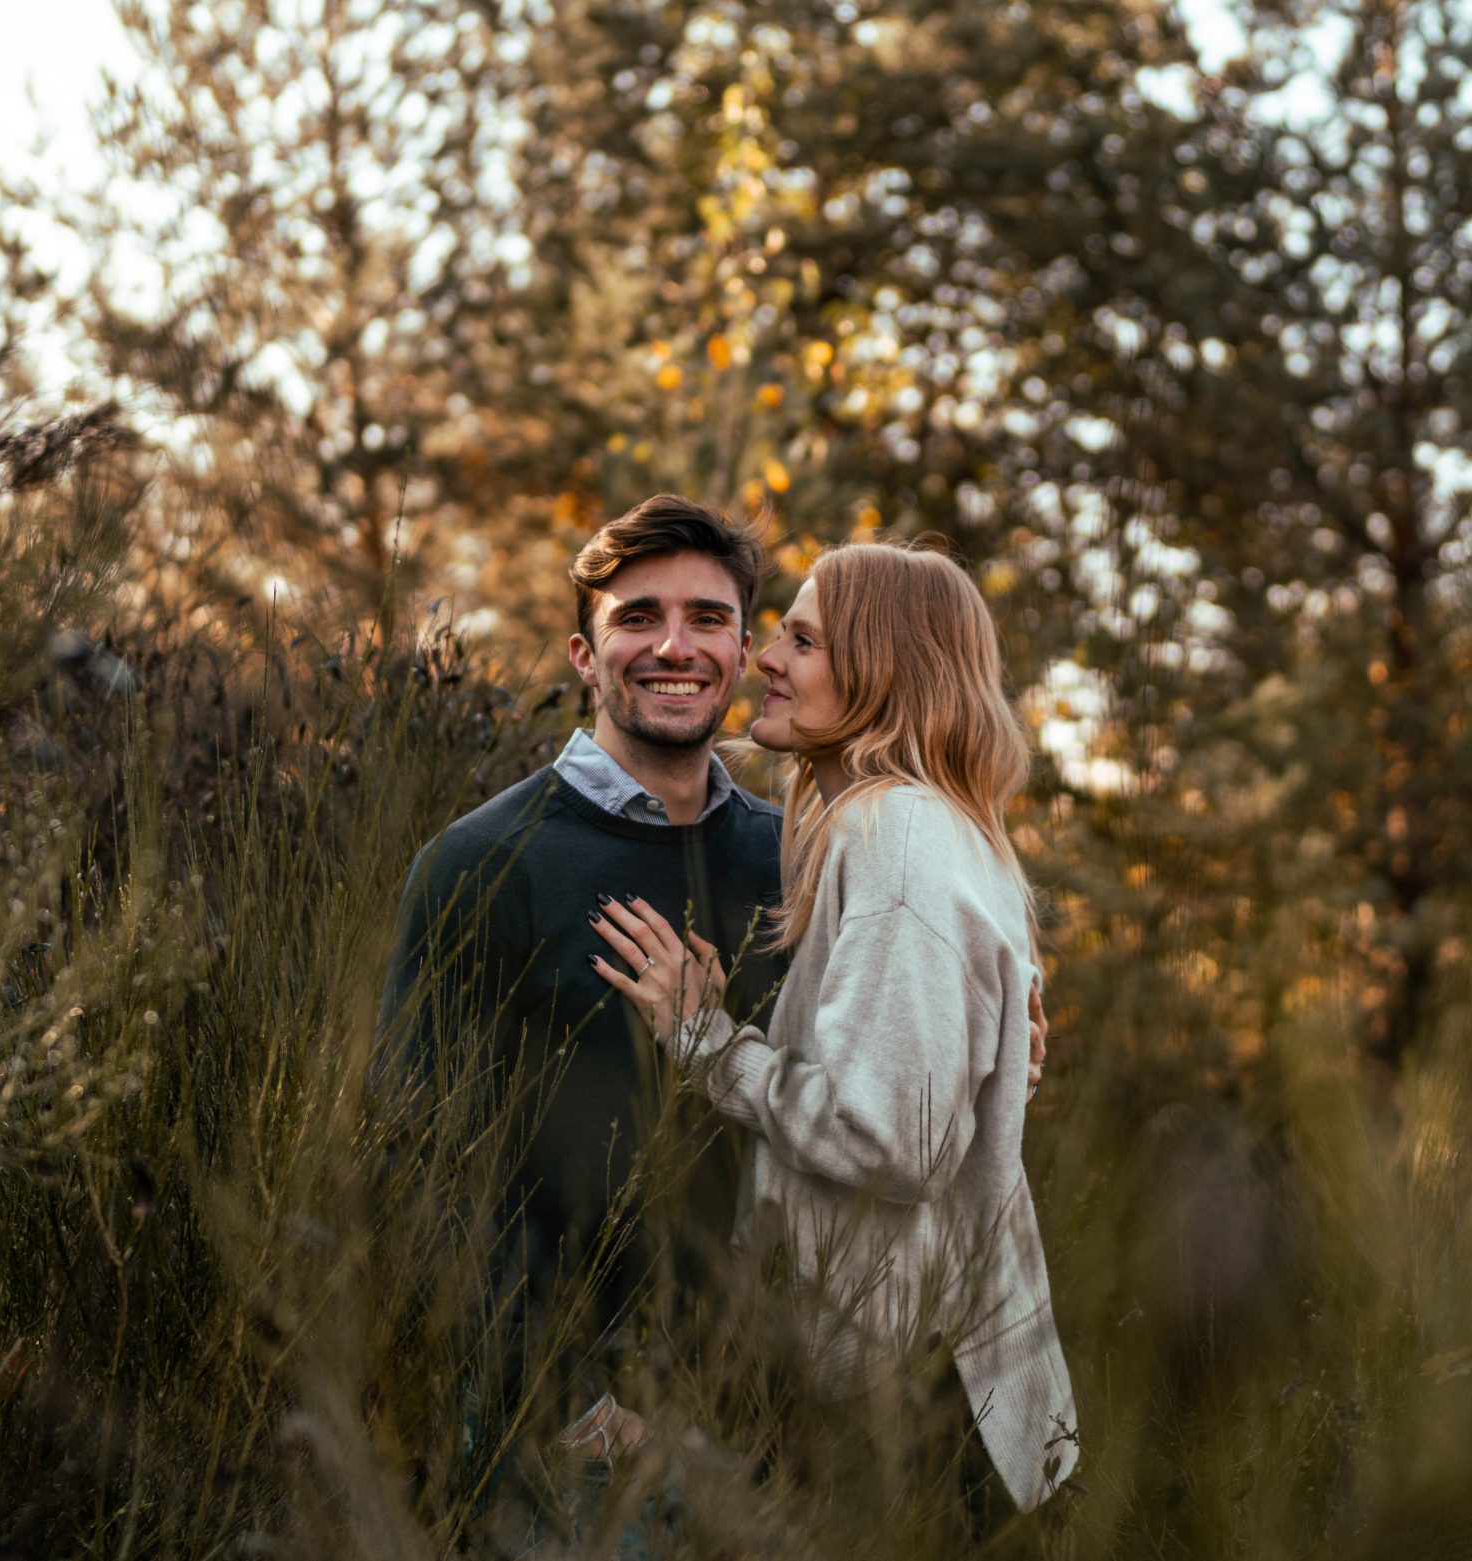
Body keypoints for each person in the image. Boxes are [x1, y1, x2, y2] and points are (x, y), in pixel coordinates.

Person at [587, 539, 1081, 1524]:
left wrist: (708, 1043)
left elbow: (891, 1139)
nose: (766, 659)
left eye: (803, 641)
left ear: (882, 670)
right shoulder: (925, 826)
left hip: (908, 1405)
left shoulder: (894, 834)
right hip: (920, 1379)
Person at [378, 494, 790, 1469]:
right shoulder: (485, 862)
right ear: (583, 656)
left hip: (773, 1413)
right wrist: (565, 1402)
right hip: (576, 1440)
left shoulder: (795, 857)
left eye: (706, 618)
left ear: (741, 651)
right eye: (638, 617)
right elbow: (418, 1159)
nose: (674, 646)